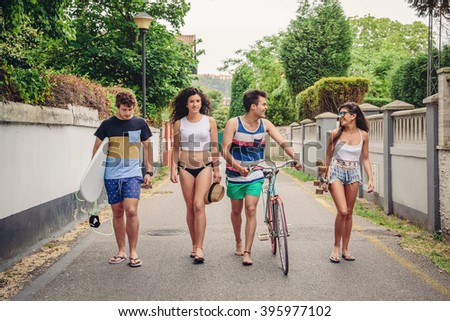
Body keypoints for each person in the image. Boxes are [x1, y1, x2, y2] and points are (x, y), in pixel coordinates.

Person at [221, 89, 302, 266]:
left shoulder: (265, 124)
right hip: (235, 173)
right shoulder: (234, 123)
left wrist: (295, 157)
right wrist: (238, 167)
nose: (266, 107)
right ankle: (238, 241)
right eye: (263, 104)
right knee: (236, 211)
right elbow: (224, 150)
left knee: (250, 209)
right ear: (253, 106)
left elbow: (282, 142)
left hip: (255, 172)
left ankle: (248, 251)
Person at [92, 91, 153, 268]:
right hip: (111, 176)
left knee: (131, 210)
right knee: (117, 212)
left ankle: (133, 251)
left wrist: (148, 171)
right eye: (125, 109)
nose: (128, 113)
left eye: (131, 109)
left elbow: (148, 148)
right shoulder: (107, 125)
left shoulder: (140, 123)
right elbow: (96, 152)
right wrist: (94, 177)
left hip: (133, 175)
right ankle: (121, 251)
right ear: (117, 107)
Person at [169, 87, 221, 264]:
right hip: (185, 168)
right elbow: (176, 148)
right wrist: (172, 169)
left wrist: (217, 170)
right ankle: (193, 244)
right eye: (191, 101)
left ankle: (200, 247)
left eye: (198, 101)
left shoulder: (209, 121)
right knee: (190, 206)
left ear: (202, 103)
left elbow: (214, 146)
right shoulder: (179, 123)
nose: (195, 104)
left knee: (199, 205)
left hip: (204, 166)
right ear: (186, 103)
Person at [322, 102, 374, 263]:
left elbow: (365, 158)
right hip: (336, 172)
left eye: (343, 113)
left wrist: (371, 178)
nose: (340, 117)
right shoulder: (335, 134)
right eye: (339, 114)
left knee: (350, 213)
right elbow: (327, 159)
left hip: (353, 174)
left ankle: (346, 249)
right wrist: (323, 179)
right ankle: (336, 247)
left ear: (353, 116)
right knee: (342, 211)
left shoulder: (363, 134)